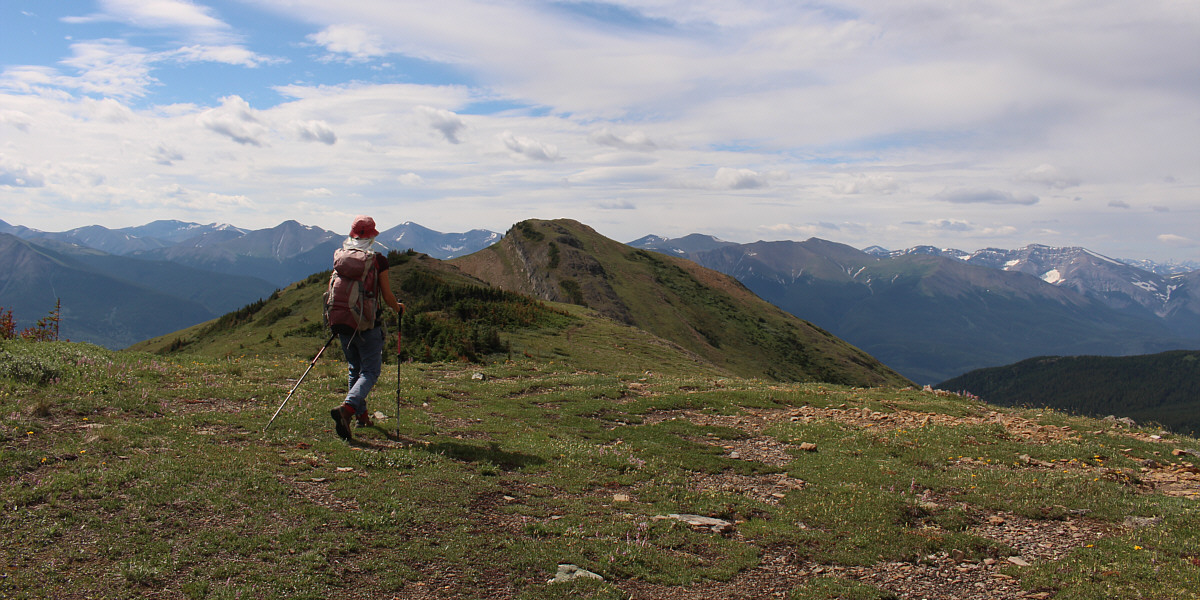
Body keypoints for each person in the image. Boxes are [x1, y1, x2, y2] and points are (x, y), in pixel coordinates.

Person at [330, 215, 403, 440]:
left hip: (343, 321)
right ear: (372, 235)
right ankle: (348, 408)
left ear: (352, 233)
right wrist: (398, 308)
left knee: (355, 368)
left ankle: (360, 417)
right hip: (367, 324)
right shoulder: (377, 260)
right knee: (370, 371)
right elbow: (387, 295)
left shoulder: (340, 256)